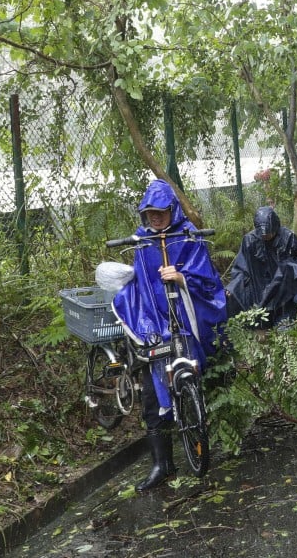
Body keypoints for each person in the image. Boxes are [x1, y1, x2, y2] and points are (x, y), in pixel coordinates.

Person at [112, 179, 227, 492]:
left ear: (171, 210)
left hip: (184, 320)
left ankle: (196, 432)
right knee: (151, 392)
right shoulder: (141, 242)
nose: (155, 218)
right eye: (149, 213)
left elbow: (206, 280)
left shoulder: (187, 235)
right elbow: (142, 285)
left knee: (189, 375)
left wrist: (181, 276)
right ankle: (162, 464)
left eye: (160, 212)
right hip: (153, 322)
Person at [225, 206, 297, 329]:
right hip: (260, 292)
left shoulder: (288, 237)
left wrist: (290, 271)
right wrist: (233, 286)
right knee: (261, 327)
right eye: (263, 234)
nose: (266, 237)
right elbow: (241, 268)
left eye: (269, 234)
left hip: (283, 291)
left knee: (284, 329)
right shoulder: (250, 240)